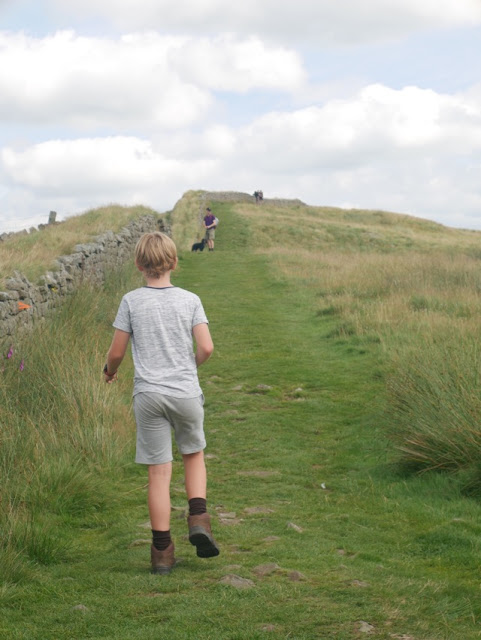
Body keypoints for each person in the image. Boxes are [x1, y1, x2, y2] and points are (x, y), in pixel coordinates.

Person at [103, 231, 219, 575]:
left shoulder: (131, 301)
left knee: (158, 472)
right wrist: (188, 366)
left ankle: (162, 553)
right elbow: (207, 347)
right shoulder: (190, 299)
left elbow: (117, 351)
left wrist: (110, 371)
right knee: (193, 454)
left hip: (148, 395)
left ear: (139, 264)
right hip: (184, 392)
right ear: (174, 262)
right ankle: (198, 518)